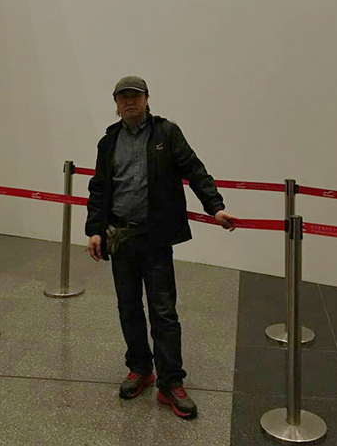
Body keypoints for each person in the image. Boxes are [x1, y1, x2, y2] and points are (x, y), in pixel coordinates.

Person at [85, 76, 236, 419]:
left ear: (147, 99)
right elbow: (99, 188)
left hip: (155, 238)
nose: (130, 102)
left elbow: (195, 171)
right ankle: (140, 369)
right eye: (123, 97)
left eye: (135, 96)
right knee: (128, 307)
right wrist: (94, 230)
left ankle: (170, 382)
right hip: (119, 236)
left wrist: (215, 207)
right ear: (116, 103)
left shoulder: (167, 133)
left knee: (164, 312)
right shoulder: (108, 141)